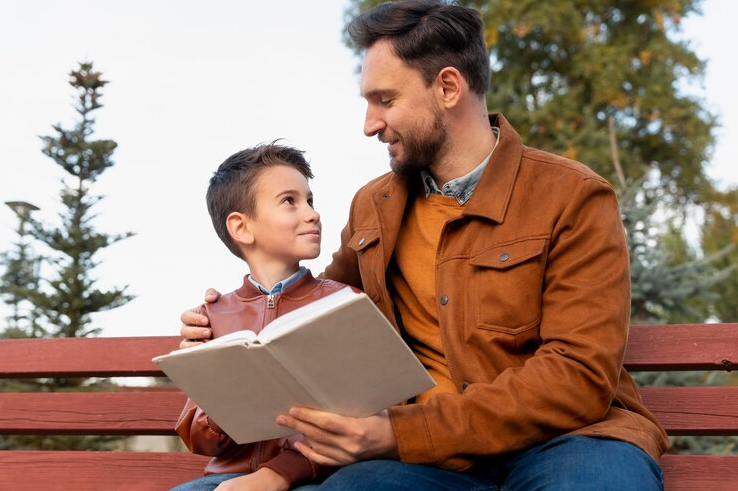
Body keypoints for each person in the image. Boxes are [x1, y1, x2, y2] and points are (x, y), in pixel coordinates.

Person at [181, 1, 668, 489]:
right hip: (426, 466)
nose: (369, 124)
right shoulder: (374, 206)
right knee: (355, 488)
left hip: (570, 443)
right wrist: (224, 329)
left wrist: (399, 433)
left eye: (385, 101)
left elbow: (577, 377)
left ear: (449, 88)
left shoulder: (572, 196)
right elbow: (312, 318)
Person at [172, 142, 351, 491]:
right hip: (226, 478)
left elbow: (359, 416)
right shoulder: (212, 316)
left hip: (314, 477)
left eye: (310, 201)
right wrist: (225, 400)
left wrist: (279, 474)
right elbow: (199, 438)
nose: (312, 213)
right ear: (241, 228)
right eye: (290, 201)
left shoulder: (342, 302)